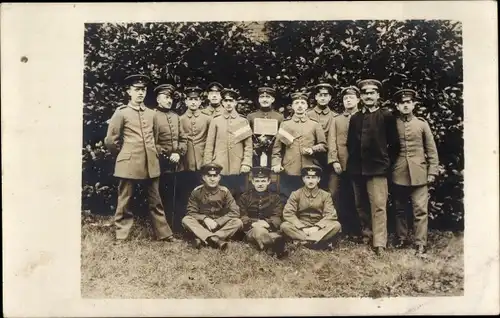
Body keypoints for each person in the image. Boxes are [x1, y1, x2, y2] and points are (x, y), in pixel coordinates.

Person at [104, 74, 173, 241]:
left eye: (143, 90)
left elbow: (155, 138)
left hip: (150, 163)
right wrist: (124, 154)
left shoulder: (152, 114)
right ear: (129, 92)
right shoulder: (121, 113)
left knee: (155, 201)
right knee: (125, 200)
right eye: (136, 90)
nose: (140, 93)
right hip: (129, 162)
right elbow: (111, 141)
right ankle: (121, 235)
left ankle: (164, 234)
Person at [346, 79, 400, 255]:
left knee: (378, 205)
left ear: (378, 96)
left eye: (372, 93)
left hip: (377, 169)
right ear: (361, 97)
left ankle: (379, 243)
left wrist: (385, 163)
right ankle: (366, 235)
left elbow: (395, 145)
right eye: (365, 93)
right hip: (357, 169)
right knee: (360, 204)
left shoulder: (387, 116)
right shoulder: (355, 118)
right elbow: (350, 144)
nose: (368, 96)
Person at [391, 88, 439, 255]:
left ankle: (420, 243)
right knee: (399, 208)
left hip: (419, 173)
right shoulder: (393, 123)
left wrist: (432, 171)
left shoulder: (421, 124)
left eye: (408, 102)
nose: (405, 105)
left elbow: (431, 149)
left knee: (420, 209)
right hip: (399, 172)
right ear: (397, 106)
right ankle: (401, 238)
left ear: (413, 104)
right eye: (402, 103)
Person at [271, 92, 327, 201]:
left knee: (309, 198)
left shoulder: (314, 124)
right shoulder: (286, 124)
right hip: (290, 168)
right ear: (292, 106)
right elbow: (277, 148)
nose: (300, 106)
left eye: (302, 103)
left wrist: (312, 149)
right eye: (296, 103)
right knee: (288, 197)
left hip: (310, 168)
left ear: (307, 106)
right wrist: (276, 163)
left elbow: (324, 146)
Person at [203, 88, 253, 199]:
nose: (228, 103)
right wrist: (208, 164)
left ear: (235, 102)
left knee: (239, 194)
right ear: (222, 102)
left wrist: (246, 163)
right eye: (226, 101)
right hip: (219, 164)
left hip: (238, 164)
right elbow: (209, 144)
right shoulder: (216, 121)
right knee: (219, 194)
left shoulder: (242, 121)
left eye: (231, 101)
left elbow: (248, 145)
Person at [181, 163, 243, 250]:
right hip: (203, 225)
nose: (212, 179)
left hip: (220, 226)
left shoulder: (224, 191)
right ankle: (215, 240)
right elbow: (191, 212)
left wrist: (218, 222)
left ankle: (206, 238)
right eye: (209, 176)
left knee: (238, 222)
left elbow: (235, 211)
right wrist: (205, 219)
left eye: (215, 175)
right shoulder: (197, 192)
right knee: (186, 219)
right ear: (203, 178)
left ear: (219, 177)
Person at [327, 86, 362, 239]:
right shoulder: (337, 120)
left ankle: (357, 230)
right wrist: (334, 160)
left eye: (351, 98)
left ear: (358, 100)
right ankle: (336, 229)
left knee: (357, 197)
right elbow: (332, 141)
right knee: (334, 194)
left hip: (358, 165)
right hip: (339, 164)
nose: (348, 100)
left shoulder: (363, 117)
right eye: (345, 98)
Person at [280, 166, 342, 250]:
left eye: (313, 177)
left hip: (319, 227)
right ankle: (318, 242)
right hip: (301, 227)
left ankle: (304, 242)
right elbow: (288, 213)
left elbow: (330, 215)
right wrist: (302, 227)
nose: (311, 180)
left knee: (336, 225)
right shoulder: (296, 194)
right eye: (308, 177)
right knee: (285, 226)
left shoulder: (325, 195)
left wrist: (317, 227)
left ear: (318, 179)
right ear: (303, 179)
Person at [177, 86, 212, 228]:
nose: (193, 102)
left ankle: (205, 221)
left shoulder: (207, 119)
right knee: (186, 191)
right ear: (186, 102)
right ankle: (186, 222)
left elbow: (211, 139)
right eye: (190, 99)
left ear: (200, 102)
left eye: (196, 100)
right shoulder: (179, 119)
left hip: (203, 159)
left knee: (204, 192)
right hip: (185, 161)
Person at [238, 166, 287, 258]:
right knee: (258, 231)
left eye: (263, 181)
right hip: (251, 229)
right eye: (257, 181)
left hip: (268, 228)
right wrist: (252, 223)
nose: (260, 184)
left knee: (265, 231)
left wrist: (267, 223)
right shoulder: (245, 197)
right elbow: (242, 215)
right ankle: (274, 244)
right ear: (252, 181)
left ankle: (268, 246)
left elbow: (277, 216)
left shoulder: (275, 197)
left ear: (268, 181)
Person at [154, 83, 182, 232]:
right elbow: (151, 140)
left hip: (176, 162)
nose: (169, 100)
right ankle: (161, 227)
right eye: (165, 97)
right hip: (159, 161)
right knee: (160, 195)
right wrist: (166, 154)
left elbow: (183, 138)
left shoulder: (175, 116)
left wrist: (178, 153)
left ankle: (175, 226)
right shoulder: (152, 115)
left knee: (175, 194)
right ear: (158, 99)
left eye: (170, 97)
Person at [307, 83, 340, 190]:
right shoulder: (307, 115)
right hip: (310, 157)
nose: (323, 98)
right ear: (316, 97)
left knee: (329, 189)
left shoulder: (335, 116)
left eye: (325, 95)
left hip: (328, 158)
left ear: (330, 98)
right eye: (320, 95)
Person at [247, 87, 284, 168]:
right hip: (255, 154)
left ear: (273, 99)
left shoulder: (279, 117)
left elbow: (282, 138)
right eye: (262, 97)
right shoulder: (251, 116)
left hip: (273, 155)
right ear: (258, 99)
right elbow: (247, 137)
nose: (264, 100)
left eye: (267, 97)